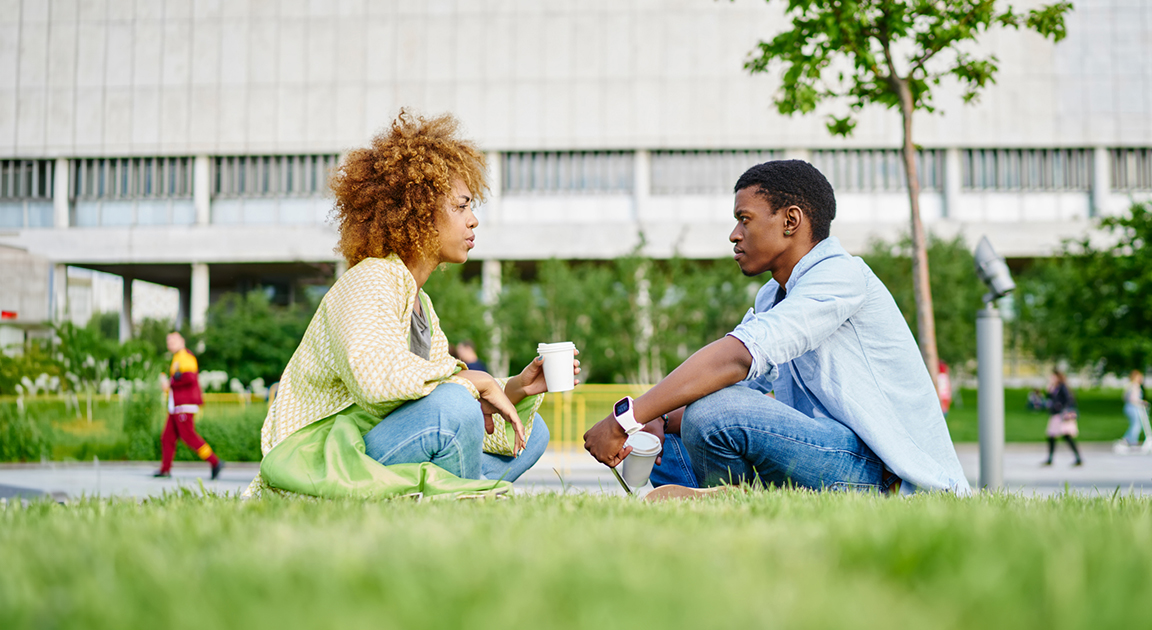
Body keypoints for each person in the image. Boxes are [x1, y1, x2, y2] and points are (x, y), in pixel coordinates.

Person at [583, 160, 970, 498]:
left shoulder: (841, 275)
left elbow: (735, 359)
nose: (734, 234)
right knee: (668, 428)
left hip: (885, 476)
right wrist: (656, 418)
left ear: (790, 221)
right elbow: (731, 383)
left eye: (745, 219)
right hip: (830, 459)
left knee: (712, 412)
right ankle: (714, 499)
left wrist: (625, 417)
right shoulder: (775, 296)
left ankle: (729, 502)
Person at [244, 110, 578, 500]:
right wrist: (470, 381)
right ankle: (460, 510)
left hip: (374, 444)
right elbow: (376, 377)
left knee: (533, 434)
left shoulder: (421, 303)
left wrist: (516, 387)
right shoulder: (370, 279)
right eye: (461, 207)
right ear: (420, 213)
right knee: (454, 406)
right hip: (320, 461)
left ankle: (454, 500)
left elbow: (427, 388)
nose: (473, 221)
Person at [154, 332, 224, 480]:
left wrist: (171, 382)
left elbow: (190, 378)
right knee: (167, 437)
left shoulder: (186, 357)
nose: (170, 344)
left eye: (173, 341)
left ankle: (215, 462)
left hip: (184, 404)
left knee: (189, 436)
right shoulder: (177, 358)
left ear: (182, 341)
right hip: (176, 406)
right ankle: (165, 469)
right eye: (168, 341)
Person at [1043, 369, 1082, 466]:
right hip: (1056, 415)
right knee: (1052, 436)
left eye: (1053, 377)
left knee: (1066, 436)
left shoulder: (1062, 387)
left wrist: (1061, 407)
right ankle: (1050, 458)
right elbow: (1050, 399)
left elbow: (1069, 400)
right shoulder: (1054, 388)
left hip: (1062, 416)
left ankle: (1078, 458)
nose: (1051, 378)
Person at [1119, 370, 1147, 446]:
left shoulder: (1130, 386)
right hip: (1133, 407)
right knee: (1137, 425)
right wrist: (1141, 402)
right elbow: (1133, 398)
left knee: (1135, 424)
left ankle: (1128, 439)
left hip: (1129, 407)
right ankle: (1130, 441)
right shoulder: (1135, 386)